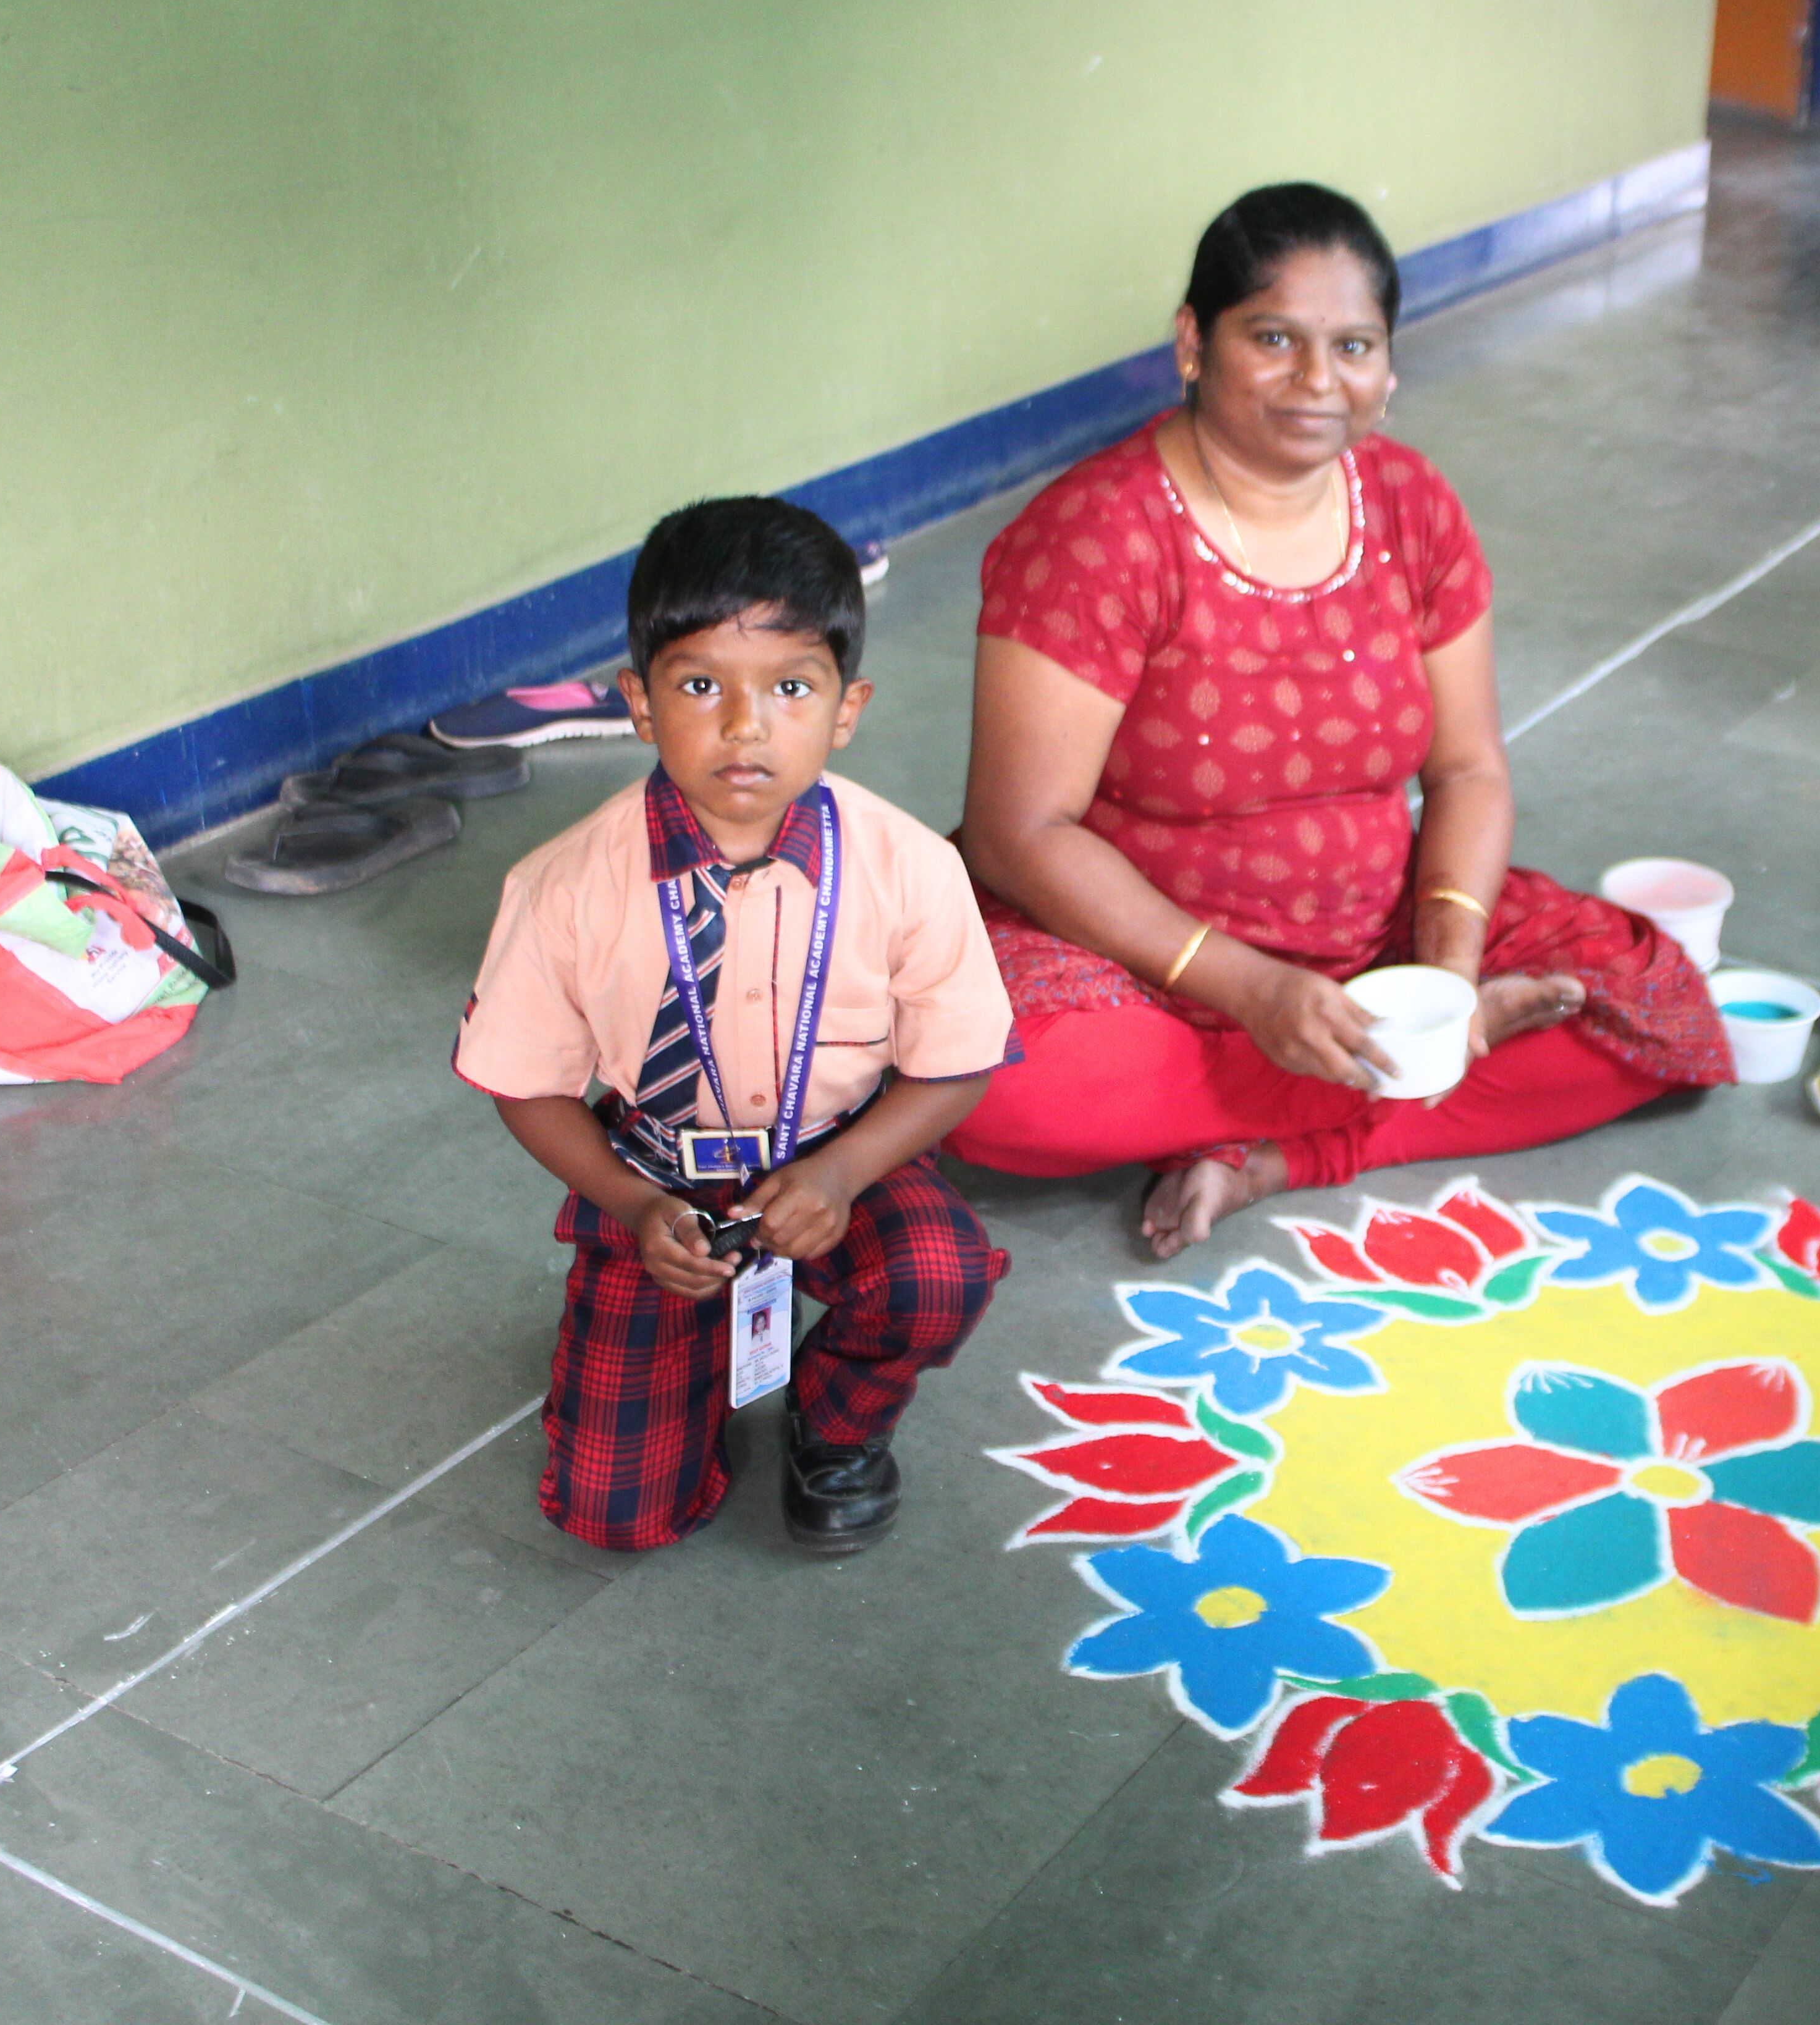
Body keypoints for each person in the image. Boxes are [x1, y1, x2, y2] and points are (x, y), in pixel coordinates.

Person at [945, 183, 1732, 1257]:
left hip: (1379, 948)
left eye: (1353, 345)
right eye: (1273, 338)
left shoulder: (1411, 506)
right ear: (1192, 341)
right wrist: (1252, 988)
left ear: (1388, 367)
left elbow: (1465, 773)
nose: (1317, 381)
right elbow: (1015, 832)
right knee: (1001, 1086)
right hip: (1139, 965)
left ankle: (1277, 1145)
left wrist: (1446, 979)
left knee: (1655, 1009)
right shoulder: (1096, 536)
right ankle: (1383, 1086)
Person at [457, 500, 1015, 1555]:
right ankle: (669, 1334)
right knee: (615, 1514)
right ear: (638, 701)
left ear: (846, 708)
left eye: (789, 687)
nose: (744, 726)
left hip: (840, 1154)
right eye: (700, 685)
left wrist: (844, 1175)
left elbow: (955, 1069)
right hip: (658, 1178)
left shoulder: (910, 869)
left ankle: (836, 1425)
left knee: (934, 1271)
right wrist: (628, 1202)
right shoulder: (563, 885)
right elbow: (525, 1085)